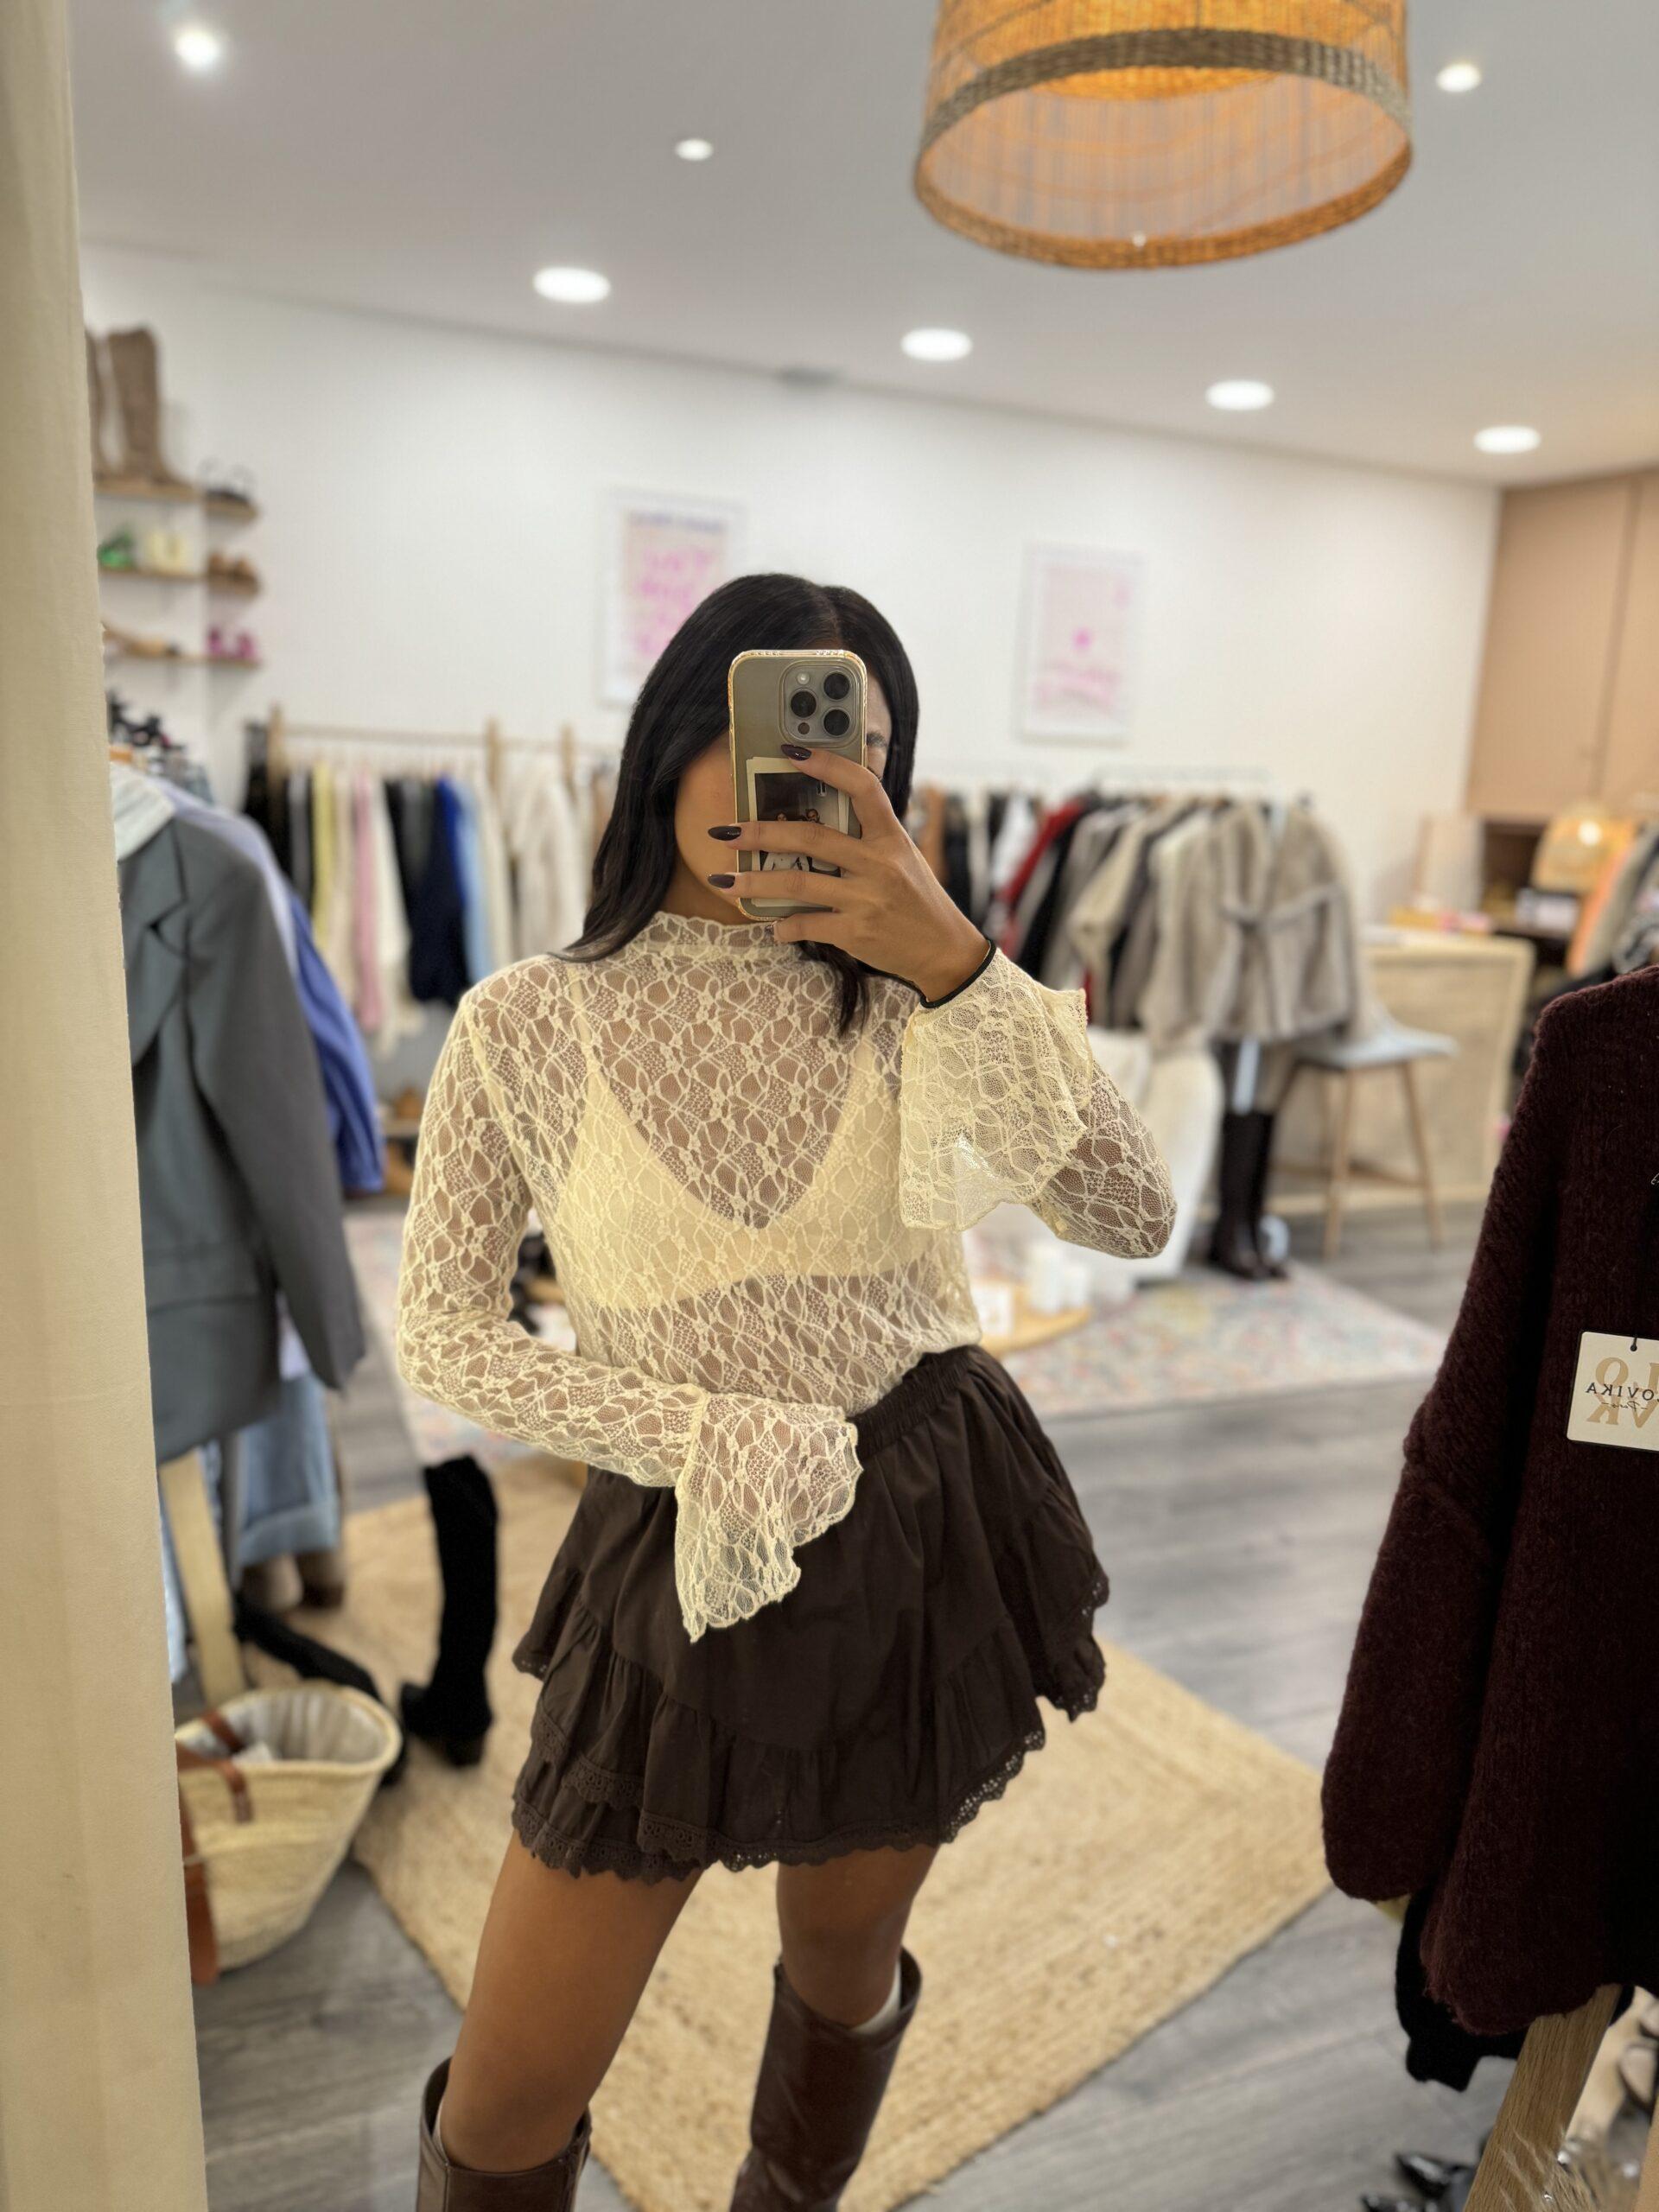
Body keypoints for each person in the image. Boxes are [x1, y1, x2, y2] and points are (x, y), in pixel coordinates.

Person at [396, 571, 1176, 2209]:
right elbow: (446, 1335)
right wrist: (698, 1435)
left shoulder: (923, 995)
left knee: (841, 1961)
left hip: (922, 1528)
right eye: (774, 733)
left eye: (857, 752)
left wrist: (956, 957)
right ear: (679, 735)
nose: (808, 780)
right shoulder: (525, 1022)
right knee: (508, 2092)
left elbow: (1132, 1212)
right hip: (682, 1546)